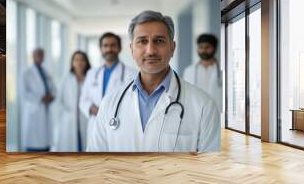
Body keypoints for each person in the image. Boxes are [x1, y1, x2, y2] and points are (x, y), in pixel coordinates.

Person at [87, 10, 220, 152]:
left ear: (172, 48)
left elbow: (210, 168)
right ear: (132, 49)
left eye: (159, 41)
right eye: (142, 41)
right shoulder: (109, 104)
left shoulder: (204, 106)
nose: (150, 51)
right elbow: (96, 162)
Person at [79, 32, 136, 145]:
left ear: (119, 48)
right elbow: (83, 100)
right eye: (105, 45)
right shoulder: (92, 73)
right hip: (95, 124)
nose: (109, 49)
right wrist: (91, 108)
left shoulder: (132, 74)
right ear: (101, 49)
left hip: (119, 124)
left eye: (113, 45)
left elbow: (134, 103)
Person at [53, 51, 91, 152]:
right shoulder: (66, 79)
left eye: (82, 60)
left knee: (86, 148)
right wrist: (66, 113)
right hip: (69, 121)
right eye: (76, 60)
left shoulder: (91, 78)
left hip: (86, 119)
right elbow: (58, 101)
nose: (79, 63)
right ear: (72, 63)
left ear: (86, 62)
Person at [21, 48, 56, 152]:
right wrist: (40, 98)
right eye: (38, 55)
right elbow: (23, 93)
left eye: (42, 55)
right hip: (34, 110)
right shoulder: (27, 72)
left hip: (45, 108)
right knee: (34, 142)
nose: (40, 57)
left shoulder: (46, 72)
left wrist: (52, 96)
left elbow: (53, 88)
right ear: (33, 56)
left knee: (45, 142)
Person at [183, 34, 222, 110]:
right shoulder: (189, 71)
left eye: (207, 47)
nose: (203, 50)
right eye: (201, 47)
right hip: (196, 111)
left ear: (214, 48)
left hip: (217, 111)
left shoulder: (222, 70)